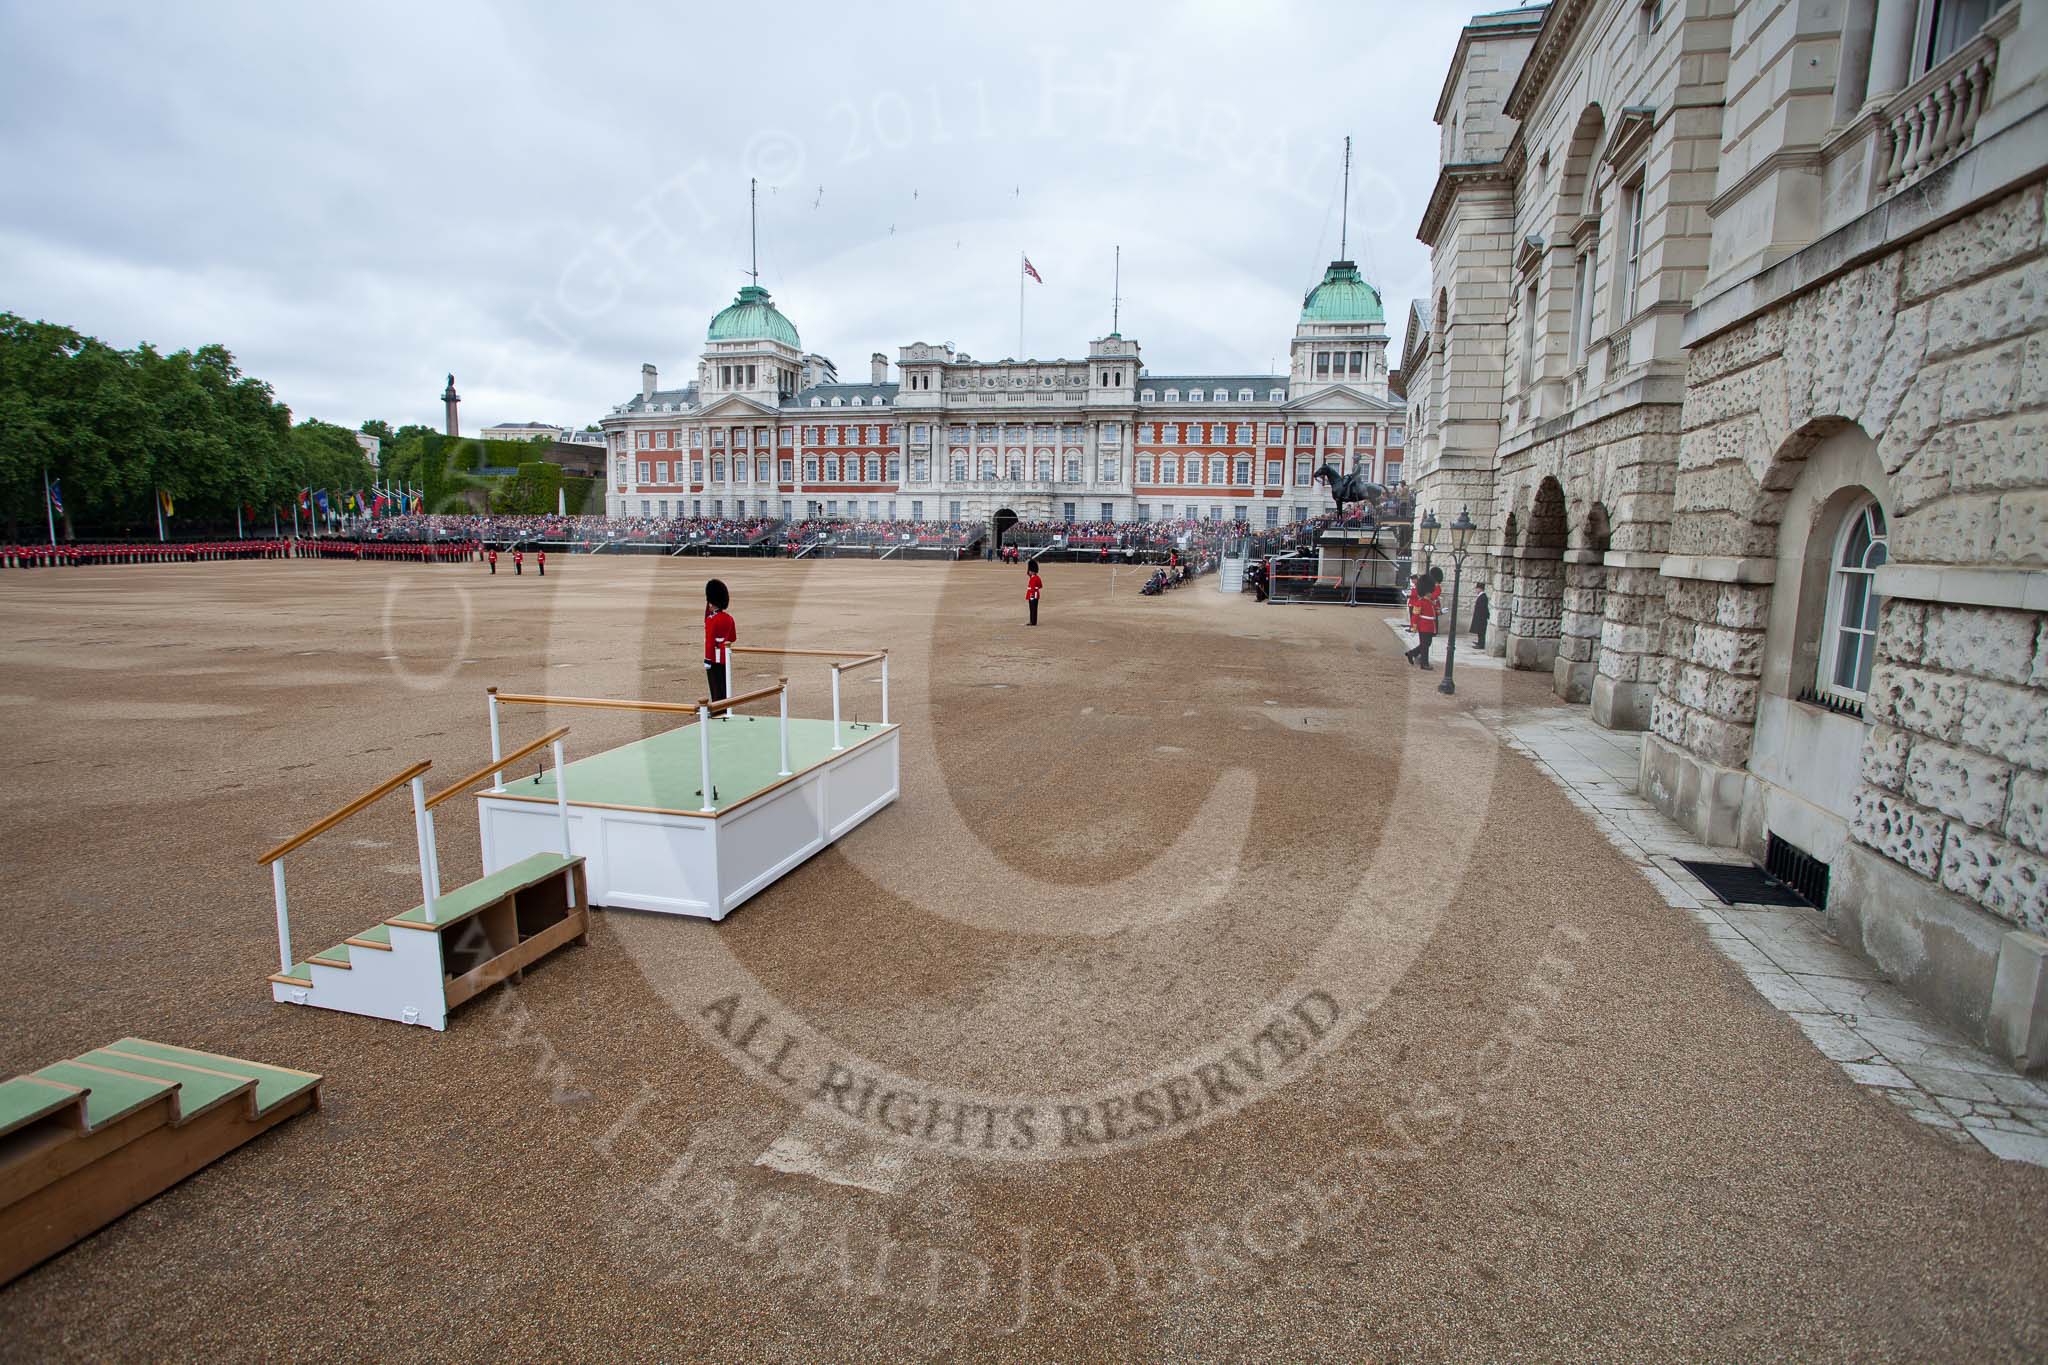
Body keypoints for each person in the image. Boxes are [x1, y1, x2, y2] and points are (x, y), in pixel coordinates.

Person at [704, 578, 737, 705]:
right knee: (724, 682)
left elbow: (709, 642)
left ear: (712, 602)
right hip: (725, 655)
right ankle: (724, 706)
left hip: (714, 657)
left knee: (715, 684)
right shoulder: (729, 618)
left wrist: (707, 659)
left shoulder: (712, 620)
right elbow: (732, 638)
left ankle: (718, 708)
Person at [1407, 568, 1442, 668]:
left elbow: (1434, 613)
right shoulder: (1420, 602)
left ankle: (1411, 653)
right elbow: (1415, 615)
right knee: (1425, 645)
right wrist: (1414, 627)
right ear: (1426, 591)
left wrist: (1440, 611)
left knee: (1426, 643)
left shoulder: (1430, 602)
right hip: (1423, 625)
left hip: (1430, 626)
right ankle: (1424, 663)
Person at [1471, 582, 1490, 650]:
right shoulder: (1481, 596)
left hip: (1481, 618)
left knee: (1481, 631)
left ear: (1480, 589)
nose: (1476, 590)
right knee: (1479, 631)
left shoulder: (1483, 597)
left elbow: (1483, 608)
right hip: (1480, 617)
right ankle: (1479, 642)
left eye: (1477, 589)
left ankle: (1481, 644)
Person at [1025, 561, 1042, 626]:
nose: (1028, 572)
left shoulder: (1034, 578)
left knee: (1033, 609)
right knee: (1033, 609)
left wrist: (1032, 594)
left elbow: (1033, 587)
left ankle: (1033, 622)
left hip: (1033, 595)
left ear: (1032, 571)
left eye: (1029, 571)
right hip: (1034, 594)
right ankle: (1033, 621)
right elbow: (1040, 586)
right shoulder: (1036, 577)